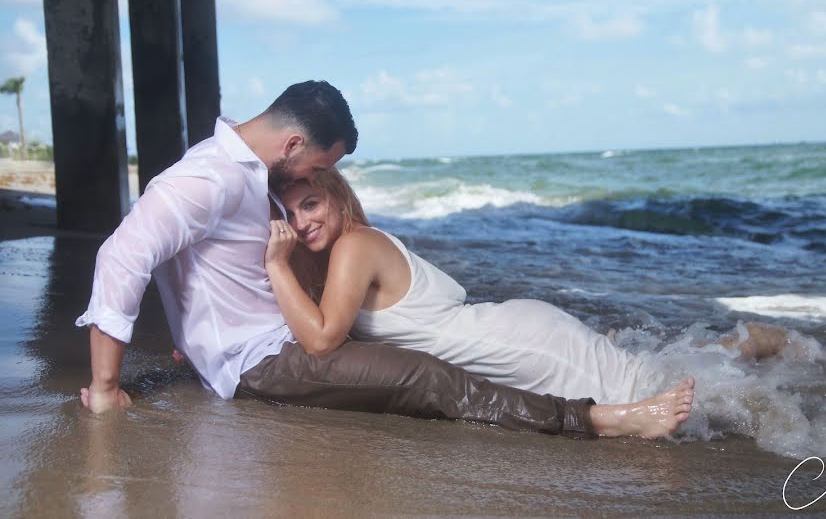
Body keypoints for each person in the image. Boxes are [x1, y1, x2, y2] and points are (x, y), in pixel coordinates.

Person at [75, 80, 686, 439]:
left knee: (429, 372)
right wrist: (106, 386)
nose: (317, 184)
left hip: (267, 342)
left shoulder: (246, 176)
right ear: (293, 145)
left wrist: (192, 330)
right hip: (261, 360)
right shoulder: (207, 178)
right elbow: (125, 254)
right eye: (317, 169)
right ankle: (597, 422)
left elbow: (209, 265)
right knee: (422, 376)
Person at [263, 168, 789, 428]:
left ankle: (808, 411)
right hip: (510, 336)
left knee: (684, 404)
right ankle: (751, 343)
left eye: (311, 204)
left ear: (338, 198)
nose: (302, 222)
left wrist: (275, 263)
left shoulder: (355, 244)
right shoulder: (342, 256)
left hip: (519, 347)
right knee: (652, 373)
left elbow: (323, 338)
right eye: (290, 214)